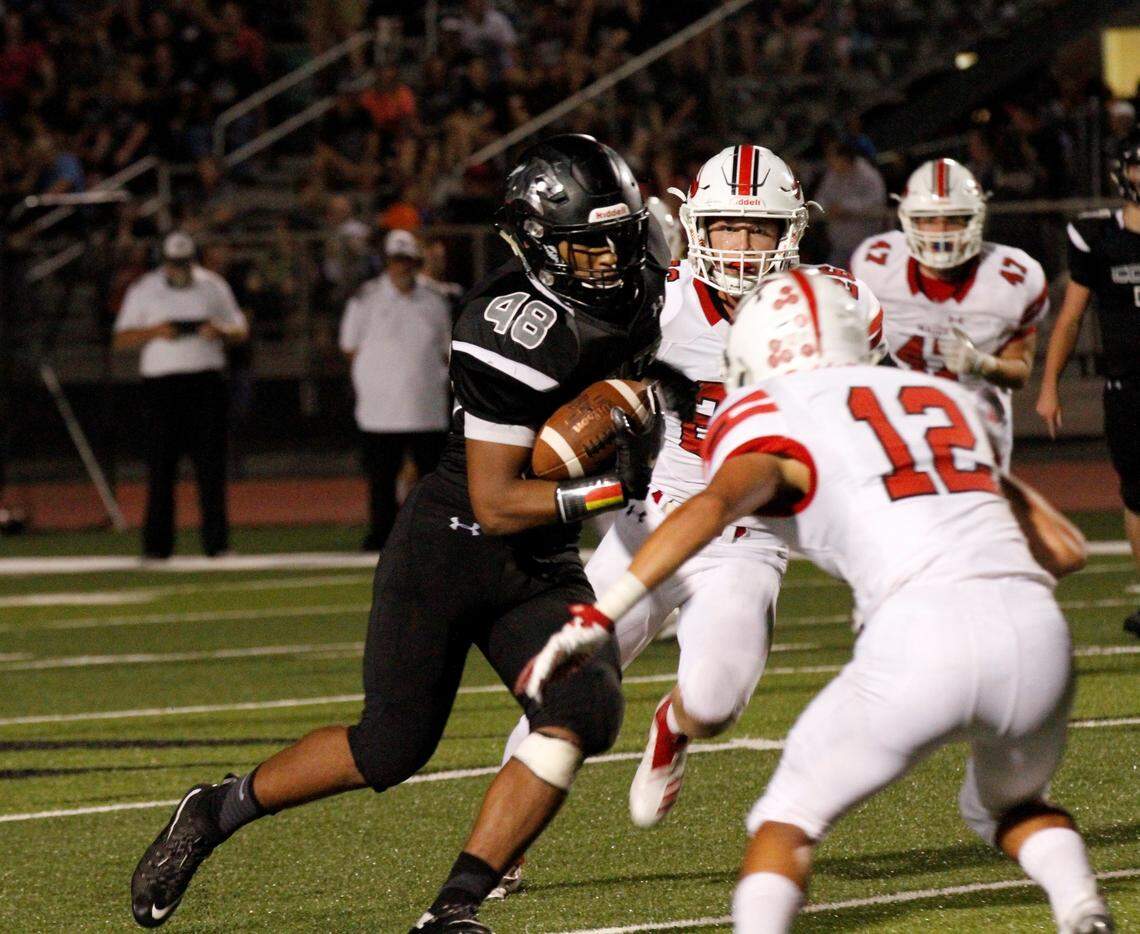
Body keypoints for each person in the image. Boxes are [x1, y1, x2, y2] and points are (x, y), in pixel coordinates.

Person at [129, 135, 667, 933]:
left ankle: (451, 912)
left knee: (585, 706)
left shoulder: (647, 277)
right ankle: (214, 812)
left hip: (540, 559)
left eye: (617, 239)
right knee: (389, 748)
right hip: (454, 543)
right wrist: (615, 487)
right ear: (536, 244)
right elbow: (494, 501)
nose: (607, 261)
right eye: (585, 245)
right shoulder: (510, 325)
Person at [522, 268, 1110, 934]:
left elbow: (712, 506)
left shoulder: (767, 408)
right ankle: (1082, 907)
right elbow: (1066, 550)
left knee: (787, 821)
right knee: (1005, 805)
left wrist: (603, 611)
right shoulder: (937, 397)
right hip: (1038, 632)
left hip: (922, 631)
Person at [493, 146, 884, 899]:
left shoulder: (833, 306)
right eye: (726, 228)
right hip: (650, 525)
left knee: (716, 698)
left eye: (758, 230)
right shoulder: (653, 299)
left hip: (747, 539)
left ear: (791, 233)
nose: (740, 247)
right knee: (558, 688)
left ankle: (673, 726)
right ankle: (504, 848)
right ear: (694, 225)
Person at [851, 158, 1049, 470]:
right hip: (895, 431)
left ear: (976, 218)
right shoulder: (875, 265)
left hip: (978, 435)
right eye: (928, 219)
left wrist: (982, 363)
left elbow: (1021, 371)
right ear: (907, 219)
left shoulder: (1014, 277)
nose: (940, 232)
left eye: (953, 219)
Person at [1037, 128, 1140, 638]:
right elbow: (1072, 316)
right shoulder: (1098, 237)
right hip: (1129, 386)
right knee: (1138, 495)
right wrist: (1049, 385)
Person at [112, 231, 248, 559]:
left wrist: (219, 330)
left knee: (211, 469)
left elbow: (240, 330)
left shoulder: (213, 285)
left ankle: (217, 545)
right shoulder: (145, 289)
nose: (180, 270)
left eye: (184, 263)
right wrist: (156, 331)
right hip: (162, 389)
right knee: (161, 469)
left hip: (206, 385)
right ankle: (157, 548)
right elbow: (120, 339)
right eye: (174, 264)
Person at [340, 229, 452, 550]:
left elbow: (446, 349)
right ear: (386, 262)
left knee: (431, 481)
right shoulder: (365, 299)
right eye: (396, 260)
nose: (401, 267)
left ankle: (434, 538)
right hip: (380, 409)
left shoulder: (435, 300)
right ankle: (382, 539)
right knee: (381, 481)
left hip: (426, 407)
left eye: (407, 261)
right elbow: (349, 346)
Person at [811, 138, 886, 266]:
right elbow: (821, 198)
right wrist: (825, 208)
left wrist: (845, 207)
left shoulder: (867, 174)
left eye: (833, 157)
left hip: (865, 242)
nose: (830, 161)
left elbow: (876, 201)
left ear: (844, 158)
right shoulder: (832, 174)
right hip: (840, 243)